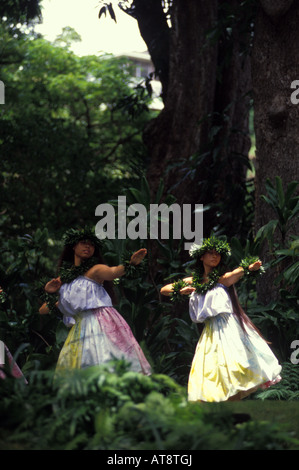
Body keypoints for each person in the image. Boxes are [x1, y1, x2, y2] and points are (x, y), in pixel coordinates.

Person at [160, 236, 282, 402]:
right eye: (210, 253)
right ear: (201, 256)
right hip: (210, 331)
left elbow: (236, 273)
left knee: (232, 369)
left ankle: (233, 412)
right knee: (213, 371)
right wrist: (180, 291)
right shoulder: (193, 281)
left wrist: (249, 268)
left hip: (228, 330)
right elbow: (164, 290)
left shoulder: (222, 280)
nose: (214, 256)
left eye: (217, 254)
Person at [39, 228, 151, 375]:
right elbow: (43, 310)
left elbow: (113, 272)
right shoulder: (64, 279)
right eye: (84, 243)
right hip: (79, 328)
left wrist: (130, 264)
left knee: (106, 366)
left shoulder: (95, 270)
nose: (88, 246)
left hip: (101, 322)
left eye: (92, 245)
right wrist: (50, 292)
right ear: (73, 246)